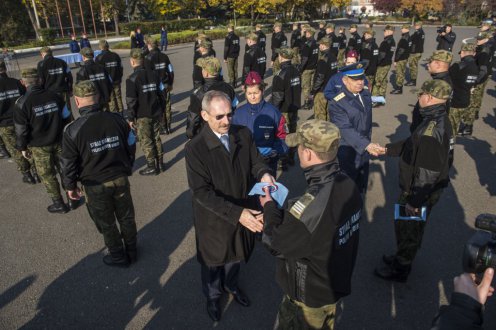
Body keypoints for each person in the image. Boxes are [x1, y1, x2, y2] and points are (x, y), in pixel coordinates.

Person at [259, 119, 363, 330]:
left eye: (299, 146)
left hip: (308, 299)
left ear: (307, 153)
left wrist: (269, 206)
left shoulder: (309, 207)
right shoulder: (348, 183)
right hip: (333, 286)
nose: (297, 151)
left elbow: (275, 242)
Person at [185, 90, 275, 322]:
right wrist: (238, 213)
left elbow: (256, 161)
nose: (227, 121)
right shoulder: (195, 148)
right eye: (219, 117)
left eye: (230, 114)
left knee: (236, 255)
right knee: (213, 262)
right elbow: (201, 193)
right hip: (215, 218)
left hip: (244, 209)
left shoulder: (243, 134)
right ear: (205, 115)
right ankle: (213, 296)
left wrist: (264, 173)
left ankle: (232, 286)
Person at [374, 80, 453, 282]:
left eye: (420, 95)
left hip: (419, 191)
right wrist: (387, 149)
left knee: (409, 227)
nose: (418, 99)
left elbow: (428, 171)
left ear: (428, 97)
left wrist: (415, 201)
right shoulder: (437, 119)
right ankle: (401, 256)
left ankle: (401, 268)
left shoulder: (432, 130)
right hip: (421, 188)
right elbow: (412, 144)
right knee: (405, 225)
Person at [60, 80, 137, 267]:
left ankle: (118, 255)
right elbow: (132, 143)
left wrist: (70, 186)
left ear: (77, 102)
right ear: (98, 99)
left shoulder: (72, 130)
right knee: (126, 216)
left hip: (95, 185)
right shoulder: (118, 119)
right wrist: (127, 166)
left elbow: (68, 163)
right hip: (119, 177)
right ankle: (132, 250)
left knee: (106, 222)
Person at [14, 68, 72, 213]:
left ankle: (59, 203)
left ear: (23, 83)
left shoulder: (21, 103)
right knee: (65, 169)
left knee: (47, 175)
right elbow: (67, 117)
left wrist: (22, 148)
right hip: (59, 141)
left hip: (39, 146)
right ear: (40, 80)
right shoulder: (55, 96)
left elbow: (21, 130)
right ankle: (72, 198)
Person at [327, 63, 382, 194]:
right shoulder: (337, 102)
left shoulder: (365, 94)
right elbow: (344, 128)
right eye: (355, 79)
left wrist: (367, 144)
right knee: (348, 185)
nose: (360, 82)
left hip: (365, 145)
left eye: (361, 78)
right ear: (345, 80)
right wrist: (367, 145)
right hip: (349, 149)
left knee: (361, 182)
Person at [233, 72, 287, 173]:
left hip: (268, 163)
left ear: (262, 91)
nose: (252, 97)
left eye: (256, 93)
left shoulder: (273, 112)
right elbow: (232, 138)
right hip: (246, 164)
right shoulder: (238, 114)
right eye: (249, 93)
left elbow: (282, 136)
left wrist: (274, 152)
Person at [124, 48, 166, 176]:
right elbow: (162, 93)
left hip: (142, 115)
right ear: (142, 61)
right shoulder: (154, 74)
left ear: (132, 62)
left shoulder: (131, 79)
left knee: (146, 140)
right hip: (155, 111)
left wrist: (130, 118)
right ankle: (160, 163)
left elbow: (131, 101)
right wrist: (162, 110)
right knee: (156, 138)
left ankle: (151, 166)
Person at [186, 57, 237, 139]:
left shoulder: (198, 93)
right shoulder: (229, 88)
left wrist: (190, 134)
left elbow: (193, 118)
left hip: (208, 134)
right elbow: (234, 108)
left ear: (205, 73)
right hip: (227, 130)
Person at [0, 60, 34, 184]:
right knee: (27, 145)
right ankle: (35, 171)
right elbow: (26, 99)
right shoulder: (16, 83)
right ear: (5, 68)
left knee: (15, 150)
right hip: (21, 120)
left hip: (5, 124)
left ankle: (27, 174)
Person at [270, 46, 301, 166]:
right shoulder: (296, 70)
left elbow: (278, 96)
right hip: (294, 106)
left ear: (281, 57)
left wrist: (273, 110)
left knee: (284, 134)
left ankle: (285, 159)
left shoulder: (280, 74)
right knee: (293, 132)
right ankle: (292, 156)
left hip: (284, 109)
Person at [411, 50, 453, 133]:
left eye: (430, 62)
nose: (427, 64)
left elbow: (433, 111)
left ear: (438, 64)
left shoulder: (441, 84)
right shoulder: (443, 80)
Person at [460, 32, 493, 136]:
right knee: (475, 101)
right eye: (477, 38)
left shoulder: (483, 52)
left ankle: (468, 127)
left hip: (478, 80)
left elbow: (483, 70)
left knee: (472, 103)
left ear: (486, 39)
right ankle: (470, 121)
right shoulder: (485, 47)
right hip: (481, 79)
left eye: (480, 39)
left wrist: (474, 82)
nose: (477, 40)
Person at [144, 36, 175, 134]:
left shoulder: (147, 58)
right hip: (165, 84)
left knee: (158, 107)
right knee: (167, 106)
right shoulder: (164, 56)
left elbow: (147, 75)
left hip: (154, 87)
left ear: (149, 45)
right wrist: (170, 83)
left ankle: (162, 127)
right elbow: (171, 71)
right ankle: (168, 126)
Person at [448, 43, 478, 138]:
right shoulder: (475, 66)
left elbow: (447, 79)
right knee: (456, 125)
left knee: (450, 128)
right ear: (473, 53)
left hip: (454, 101)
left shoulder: (459, 65)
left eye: (461, 53)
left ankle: (448, 150)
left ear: (463, 53)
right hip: (465, 99)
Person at [37, 46, 74, 118]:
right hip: (63, 91)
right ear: (51, 53)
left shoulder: (41, 64)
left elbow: (40, 80)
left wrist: (41, 92)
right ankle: (70, 124)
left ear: (42, 54)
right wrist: (70, 89)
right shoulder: (62, 62)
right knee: (67, 110)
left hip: (49, 92)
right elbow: (70, 77)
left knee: (53, 112)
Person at [76, 47, 113, 112]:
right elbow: (110, 83)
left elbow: (80, 91)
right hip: (104, 101)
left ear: (83, 57)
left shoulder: (82, 72)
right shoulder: (102, 68)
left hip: (91, 104)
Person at [311, 37, 338, 121]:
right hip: (331, 89)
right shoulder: (333, 57)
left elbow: (320, 77)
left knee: (320, 116)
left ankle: (321, 133)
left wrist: (313, 90)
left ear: (324, 45)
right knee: (329, 115)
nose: (319, 46)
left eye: (320, 44)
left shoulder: (323, 59)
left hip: (322, 91)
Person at [95, 40, 124, 113]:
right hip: (117, 80)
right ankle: (121, 112)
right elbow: (121, 67)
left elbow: (99, 72)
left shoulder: (99, 58)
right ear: (108, 46)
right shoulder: (115, 55)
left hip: (107, 82)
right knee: (118, 97)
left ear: (100, 47)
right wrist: (119, 77)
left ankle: (114, 114)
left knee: (111, 99)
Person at [372, 25, 396, 107]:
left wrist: (376, 63)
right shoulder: (393, 41)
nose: (384, 32)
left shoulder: (385, 42)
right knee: (383, 81)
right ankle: (381, 99)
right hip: (387, 63)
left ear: (390, 31)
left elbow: (381, 55)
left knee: (377, 82)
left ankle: (375, 101)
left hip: (382, 65)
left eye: (385, 31)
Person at [300, 28, 319, 110]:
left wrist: (300, 69)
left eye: (307, 33)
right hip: (314, 67)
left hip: (307, 69)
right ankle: (311, 100)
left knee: (306, 87)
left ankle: (307, 103)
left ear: (310, 34)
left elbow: (305, 59)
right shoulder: (316, 43)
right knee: (311, 85)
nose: (305, 34)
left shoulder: (307, 45)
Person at [391, 24, 411, 95]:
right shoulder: (409, 37)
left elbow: (400, 51)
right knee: (402, 73)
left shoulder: (404, 38)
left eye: (403, 28)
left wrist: (396, 60)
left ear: (407, 29)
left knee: (399, 74)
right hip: (405, 58)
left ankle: (399, 89)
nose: (401, 29)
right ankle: (399, 88)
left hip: (401, 58)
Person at [406, 21, 425, 86]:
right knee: (414, 66)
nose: (415, 26)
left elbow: (412, 41)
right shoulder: (421, 32)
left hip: (415, 52)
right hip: (418, 51)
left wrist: (411, 51)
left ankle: (413, 81)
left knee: (413, 66)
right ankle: (413, 80)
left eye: (416, 25)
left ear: (419, 26)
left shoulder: (418, 33)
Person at [224, 24, 240, 88]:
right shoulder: (237, 36)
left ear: (229, 28)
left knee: (230, 69)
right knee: (235, 69)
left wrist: (225, 57)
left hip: (230, 55)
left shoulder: (228, 37)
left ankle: (232, 83)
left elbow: (226, 48)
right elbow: (238, 46)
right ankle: (235, 82)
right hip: (236, 55)